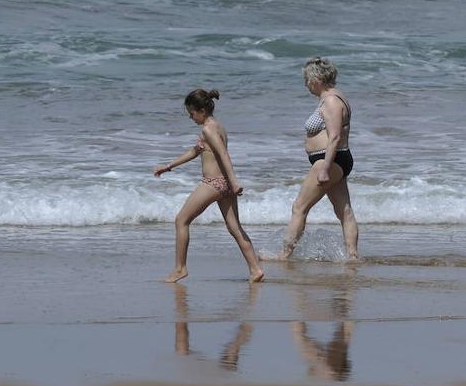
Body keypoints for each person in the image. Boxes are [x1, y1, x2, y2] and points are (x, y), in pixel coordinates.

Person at [153, 89, 264, 283]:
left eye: (192, 113)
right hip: (225, 185)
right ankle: (255, 270)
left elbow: (223, 155)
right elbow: (195, 151)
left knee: (181, 220)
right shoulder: (216, 126)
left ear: (202, 110)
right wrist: (169, 166)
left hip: (214, 183)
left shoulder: (208, 129)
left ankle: (180, 269)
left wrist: (235, 181)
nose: (190, 117)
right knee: (235, 228)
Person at [270, 57, 359, 260]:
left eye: (307, 80)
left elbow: (334, 136)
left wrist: (325, 169)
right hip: (336, 159)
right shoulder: (336, 97)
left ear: (316, 79)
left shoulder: (331, 101)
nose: (306, 84)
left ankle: (285, 254)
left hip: (330, 160)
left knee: (299, 207)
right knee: (344, 210)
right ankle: (352, 256)